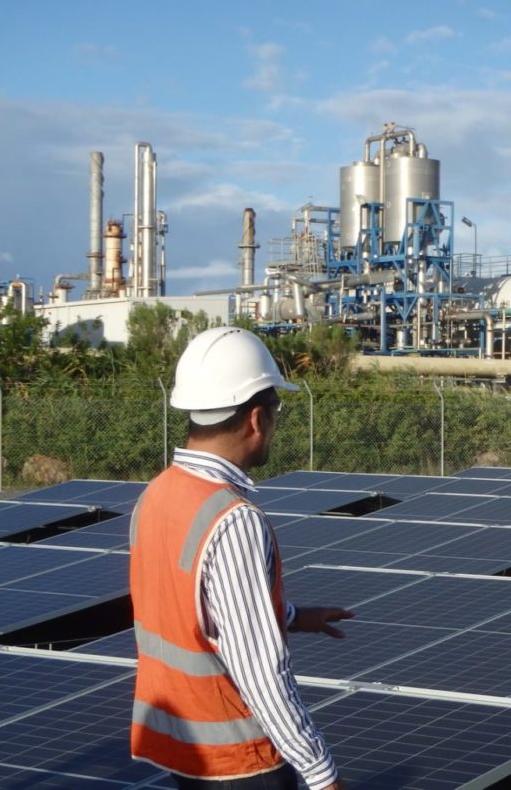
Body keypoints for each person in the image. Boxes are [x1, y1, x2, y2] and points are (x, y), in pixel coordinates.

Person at [129, 326, 354, 790]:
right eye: (276, 412)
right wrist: (321, 774)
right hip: (240, 761)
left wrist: (290, 616)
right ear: (256, 418)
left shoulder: (156, 494)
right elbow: (261, 673)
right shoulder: (233, 519)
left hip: (184, 747)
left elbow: (194, 609)